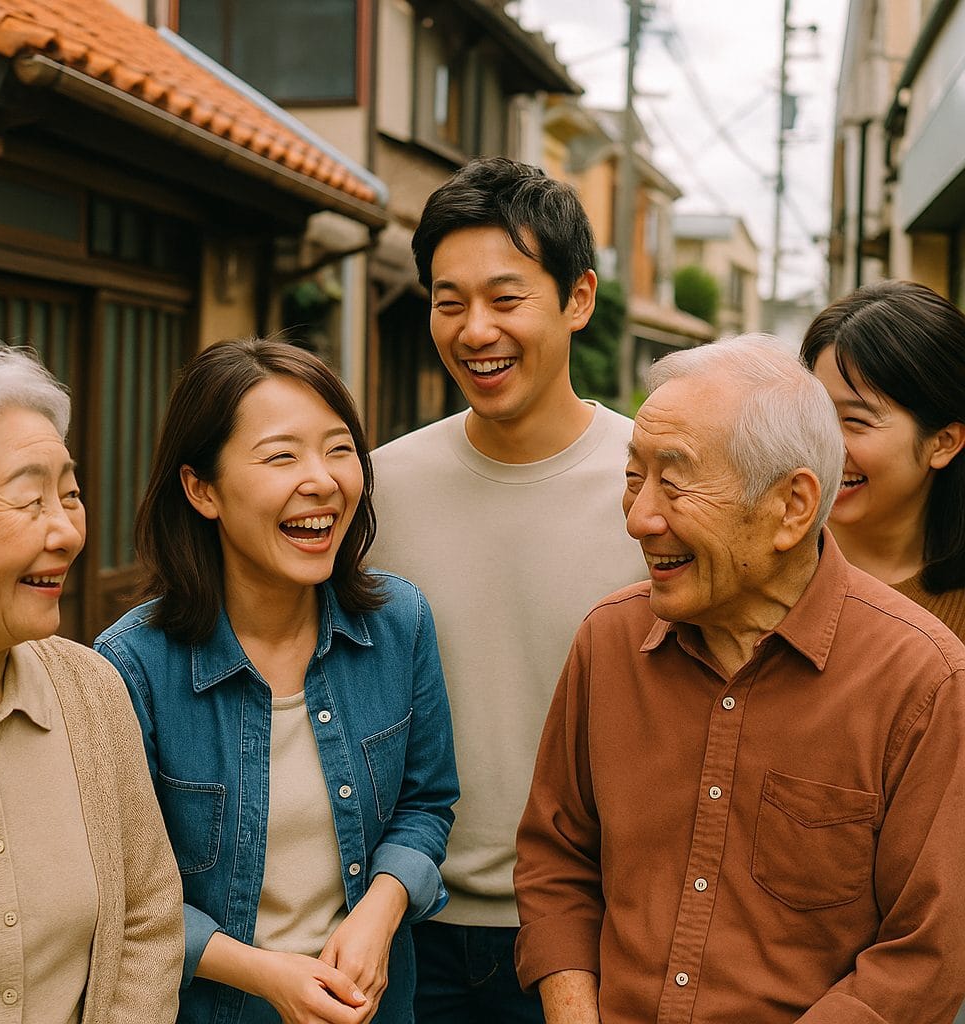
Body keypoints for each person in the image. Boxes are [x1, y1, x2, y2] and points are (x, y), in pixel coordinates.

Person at [514, 335, 965, 1023]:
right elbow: (557, 861)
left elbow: (925, 956)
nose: (639, 518)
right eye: (634, 477)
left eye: (675, 483)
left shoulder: (923, 682)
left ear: (792, 505)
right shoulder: (608, 642)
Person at [94, 337, 458, 1024]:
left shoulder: (399, 623)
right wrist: (266, 976)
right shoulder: (129, 667)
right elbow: (124, 892)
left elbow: (426, 803)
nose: (321, 480)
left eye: (339, 449)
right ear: (202, 489)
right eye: (281, 456)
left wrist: (380, 910)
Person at [370, 156, 647, 1021]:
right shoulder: (379, 488)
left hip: (599, 932)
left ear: (578, 298)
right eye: (448, 302)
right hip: (404, 925)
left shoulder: (656, 489)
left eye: (505, 297)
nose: (475, 330)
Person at [0, 345, 183, 1022]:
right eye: (30, 500)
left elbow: (148, 915)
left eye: (70, 495)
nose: (68, 533)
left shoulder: (91, 691)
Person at [801, 279, 965, 638]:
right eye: (817, 414)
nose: (825, 445)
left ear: (943, 442)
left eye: (856, 421)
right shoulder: (754, 570)